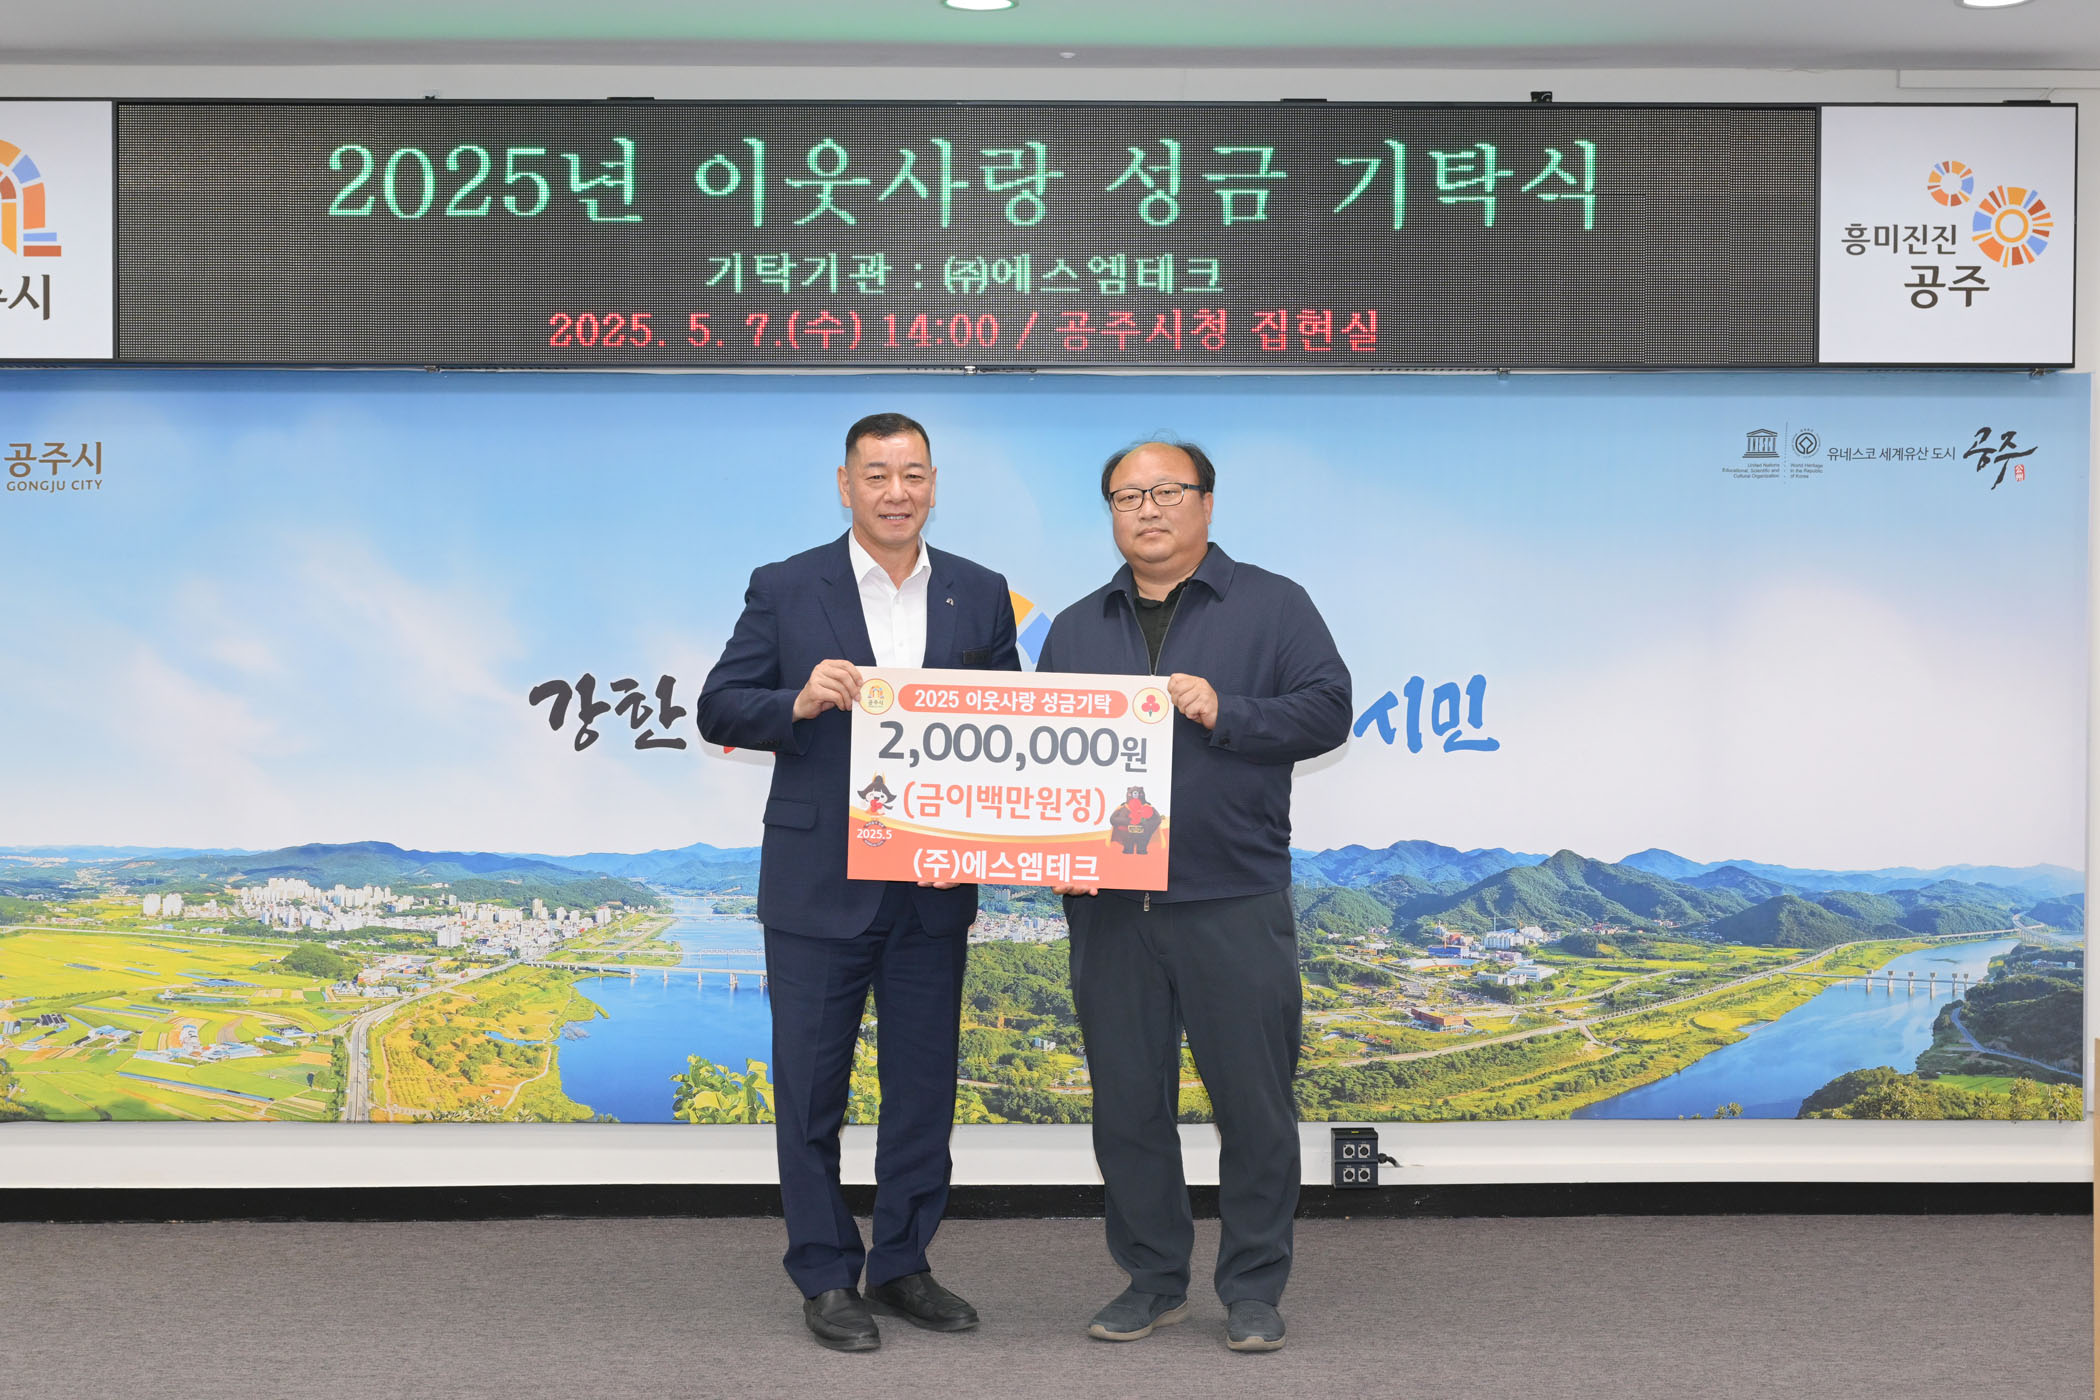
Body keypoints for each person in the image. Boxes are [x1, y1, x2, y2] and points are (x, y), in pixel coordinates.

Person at [697, 411, 1020, 1353]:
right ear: (846, 486)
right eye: (876, 474)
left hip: (933, 881)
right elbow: (720, 704)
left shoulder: (979, 592)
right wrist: (796, 701)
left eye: (912, 474)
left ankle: (903, 1264)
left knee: (922, 1091)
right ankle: (826, 1273)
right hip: (817, 883)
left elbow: (1010, 728)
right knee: (810, 1096)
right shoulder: (786, 585)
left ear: (934, 485)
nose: (895, 491)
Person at [1037, 439, 1351, 1354]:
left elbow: (1328, 708)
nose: (1147, 509)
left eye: (1166, 491)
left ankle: (1253, 1287)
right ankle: (1151, 1280)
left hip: (1231, 894)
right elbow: (1040, 760)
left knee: (1253, 1107)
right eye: (1126, 496)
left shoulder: (1273, 604)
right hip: (1109, 904)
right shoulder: (1075, 627)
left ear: (1207, 503)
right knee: (1128, 1107)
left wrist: (1228, 711)